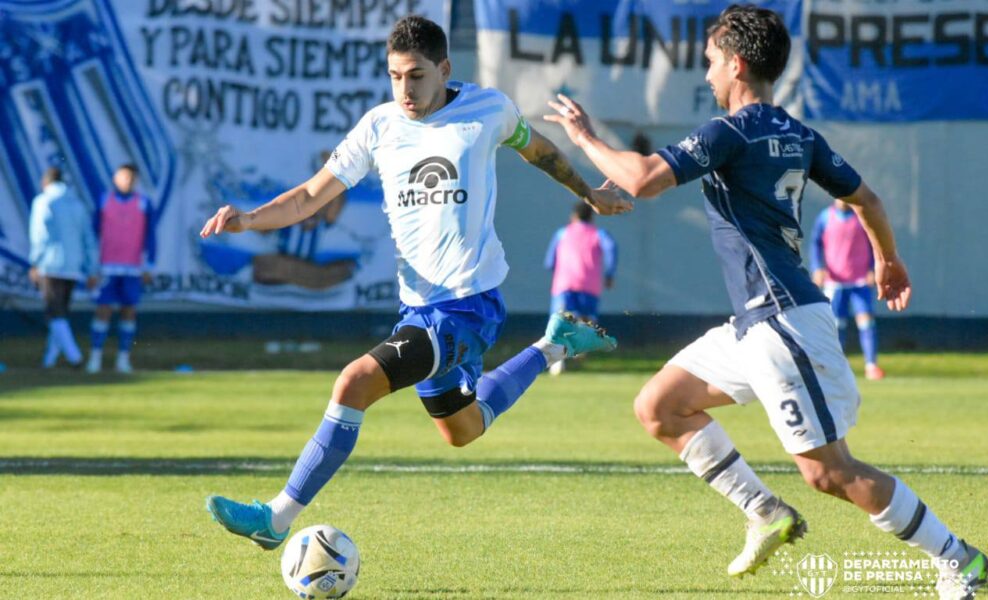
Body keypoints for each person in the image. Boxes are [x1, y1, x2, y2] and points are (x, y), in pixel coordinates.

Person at [544, 5, 988, 599]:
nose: (705, 76)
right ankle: (764, 512)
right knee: (659, 406)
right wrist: (888, 258)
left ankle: (960, 558)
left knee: (829, 472)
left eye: (709, 64)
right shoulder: (797, 134)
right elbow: (871, 200)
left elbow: (645, 178)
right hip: (756, 323)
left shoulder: (732, 130)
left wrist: (583, 138)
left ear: (736, 63)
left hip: (782, 324)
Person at [200, 16, 630, 550]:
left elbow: (540, 151)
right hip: (417, 310)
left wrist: (591, 193)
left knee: (353, 382)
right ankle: (553, 344)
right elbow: (311, 196)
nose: (405, 89)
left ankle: (276, 518)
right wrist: (247, 219)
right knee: (463, 430)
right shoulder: (378, 126)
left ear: (444, 69)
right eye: (395, 76)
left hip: (468, 307)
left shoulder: (487, 109)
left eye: (417, 75)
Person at [86, 163, 156, 374]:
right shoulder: (104, 201)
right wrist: (91, 268)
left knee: (128, 311)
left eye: (131, 178)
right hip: (107, 267)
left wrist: (149, 265)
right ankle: (95, 358)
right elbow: (92, 235)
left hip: (132, 268)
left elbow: (150, 236)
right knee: (103, 310)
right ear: (115, 178)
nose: (127, 181)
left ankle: (123, 359)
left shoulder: (144, 203)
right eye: (124, 177)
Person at [28, 167, 99, 368]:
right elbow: (88, 239)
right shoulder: (77, 204)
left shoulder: (43, 202)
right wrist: (91, 268)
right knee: (60, 313)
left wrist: (35, 261)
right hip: (73, 266)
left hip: (50, 265)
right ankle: (49, 360)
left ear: (45, 182)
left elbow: (40, 235)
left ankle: (74, 357)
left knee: (54, 313)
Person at [811, 199, 883, 380]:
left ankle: (871, 365)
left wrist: (872, 268)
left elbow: (874, 243)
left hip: (859, 280)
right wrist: (817, 267)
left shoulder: (861, 216)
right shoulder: (825, 217)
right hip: (834, 282)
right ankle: (836, 367)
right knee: (836, 324)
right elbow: (815, 244)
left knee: (866, 320)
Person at [543, 201, 618, 375]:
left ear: (573, 216)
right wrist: (610, 273)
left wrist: (557, 268)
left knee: (559, 321)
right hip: (589, 285)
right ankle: (577, 353)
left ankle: (557, 359)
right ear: (591, 217)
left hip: (564, 284)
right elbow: (612, 248)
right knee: (587, 322)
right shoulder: (599, 234)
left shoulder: (562, 233)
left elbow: (549, 262)